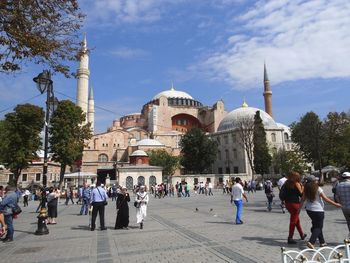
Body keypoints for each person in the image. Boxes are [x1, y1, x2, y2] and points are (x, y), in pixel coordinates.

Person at [301, 175, 341, 249]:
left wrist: (299, 209)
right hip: (318, 210)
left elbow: (302, 199)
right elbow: (326, 199)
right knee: (318, 227)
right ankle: (311, 242)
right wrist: (336, 204)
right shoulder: (318, 188)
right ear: (313, 181)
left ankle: (322, 242)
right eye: (316, 180)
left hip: (309, 210)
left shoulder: (306, 189)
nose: (317, 181)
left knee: (316, 225)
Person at [280, 171, 306, 244]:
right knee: (293, 221)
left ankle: (302, 234)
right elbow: (301, 195)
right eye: (298, 176)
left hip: (288, 204)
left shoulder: (286, 183)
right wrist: (303, 187)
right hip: (295, 204)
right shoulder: (296, 184)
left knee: (296, 220)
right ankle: (290, 238)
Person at [336, 172, 350, 238]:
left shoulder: (339, 185)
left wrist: (341, 204)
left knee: (348, 223)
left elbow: (337, 197)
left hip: (344, 208)